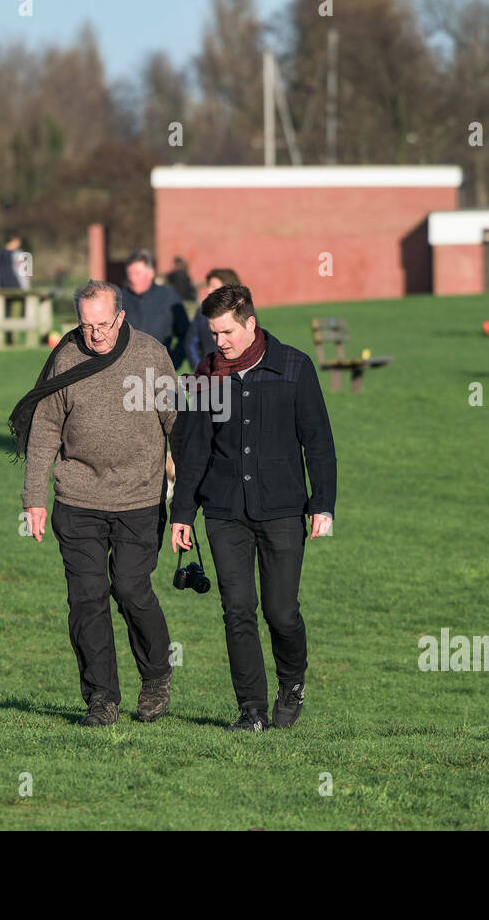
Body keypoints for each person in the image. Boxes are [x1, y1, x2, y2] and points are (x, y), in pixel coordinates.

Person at [11, 280, 178, 726]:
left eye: (104, 324)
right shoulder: (66, 358)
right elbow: (44, 430)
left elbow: (176, 420)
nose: (96, 334)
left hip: (139, 496)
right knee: (86, 600)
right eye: (87, 326)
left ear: (120, 318)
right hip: (78, 496)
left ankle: (157, 675)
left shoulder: (150, 355)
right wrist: (34, 498)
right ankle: (101, 698)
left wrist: (187, 484)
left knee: (130, 587)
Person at [171, 284, 337, 732]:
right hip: (224, 513)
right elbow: (196, 448)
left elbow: (318, 441)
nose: (218, 342)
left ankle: (293, 682)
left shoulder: (294, 367)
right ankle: (251, 711)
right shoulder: (208, 375)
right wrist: (182, 513)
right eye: (212, 334)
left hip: (283, 509)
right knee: (237, 610)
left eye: (225, 332)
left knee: (280, 611)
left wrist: (322, 504)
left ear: (249, 323)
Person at [119, 249, 189, 370]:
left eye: (137, 274)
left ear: (150, 273)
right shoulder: (118, 299)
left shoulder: (169, 298)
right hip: (125, 372)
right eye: (129, 274)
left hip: (160, 372)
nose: (132, 278)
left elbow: (186, 334)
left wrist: (173, 362)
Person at [185, 267, 238, 369]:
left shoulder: (243, 311)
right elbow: (190, 343)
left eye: (213, 287)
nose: (209, 290)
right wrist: (200, 369)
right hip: (210, 376)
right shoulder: (201, 313)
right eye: (208, 286)